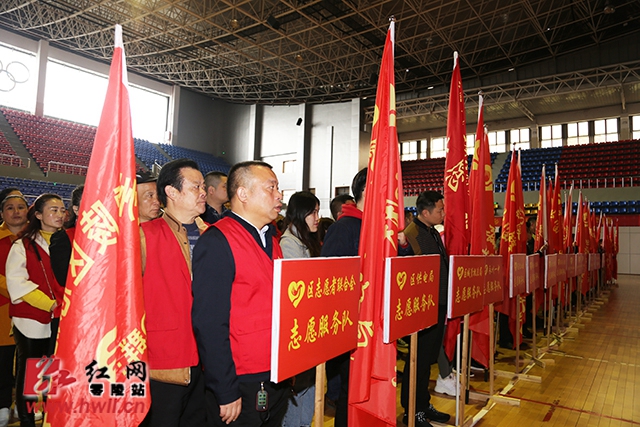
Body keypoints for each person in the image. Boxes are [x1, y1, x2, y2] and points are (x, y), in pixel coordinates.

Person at [192, 160, 288, 427]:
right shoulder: (218, 240)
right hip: (241, 379)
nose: (279, 195)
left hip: (274, 372)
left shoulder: (271, 239)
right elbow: (209, 323)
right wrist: (225, 388)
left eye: (277, 188)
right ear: (243, 194)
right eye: (271, 187)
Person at [139, 159, 208, 427]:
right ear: (171, 192)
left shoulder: (213, 235)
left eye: (203, 186)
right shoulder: (144, 236)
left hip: (207, 357)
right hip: (163, 361)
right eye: (195, 186)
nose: (203, 191)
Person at [6, 194, 65, 427]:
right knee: (31, 373)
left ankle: (50, 415)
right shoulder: (22, 244)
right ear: (38, 215)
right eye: (53, 210)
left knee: (54, 372)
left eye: (62, 210)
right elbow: (18, 283)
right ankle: (27, 419)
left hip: (61, 318)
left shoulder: (70, 242)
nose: (60, 215)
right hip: (31, 319)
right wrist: (50, 304)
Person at [401, 191, 452, 427]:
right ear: (425, 212)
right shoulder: (412, 235)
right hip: (422, 307)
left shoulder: (432, 232)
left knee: (427, 360)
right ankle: (412, 411)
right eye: (440, 209)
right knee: (417, 361)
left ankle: (423, 404)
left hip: (437, 304)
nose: (443, 212)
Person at [279, 191, 321, 427]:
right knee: (298, 391)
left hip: (310, 327)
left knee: (309, 387)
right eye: (313, 212)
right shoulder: (289, 244)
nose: (317, 217)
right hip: (298, 328)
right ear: (299, 213)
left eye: (317, 211)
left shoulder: (305, 241)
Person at [0, 191, 27, 427]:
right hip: (4, 307)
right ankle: (2, 405)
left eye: (21, 207)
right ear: (2, 213)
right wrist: (19, 291)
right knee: (3, 360)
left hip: (35, 310)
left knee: (32, 360)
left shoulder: (38, 237)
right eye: (10, 208)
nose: (16, 211)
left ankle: (27, 403)